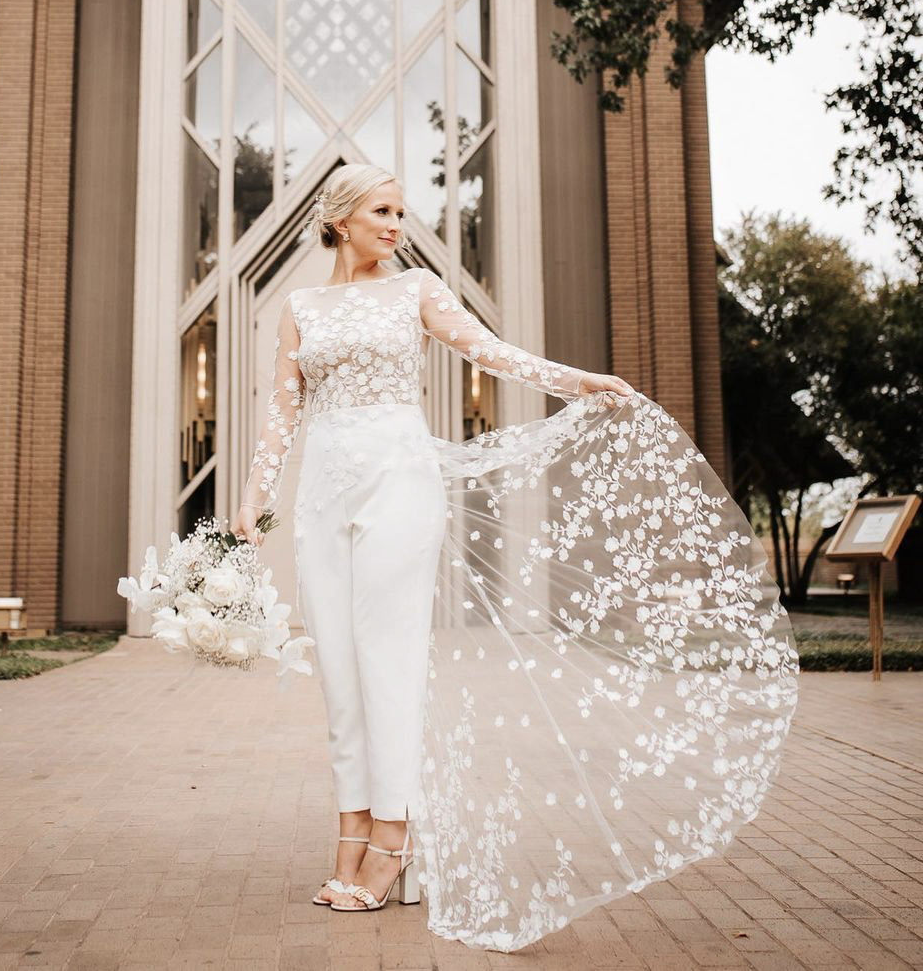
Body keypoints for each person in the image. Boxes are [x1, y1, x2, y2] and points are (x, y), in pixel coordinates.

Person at [231, 163, 798, 951]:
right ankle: (351, 833)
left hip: (398, 483)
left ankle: (390, 842)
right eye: (383, 211)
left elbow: (491, 353)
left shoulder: (416, 291)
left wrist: (578, 381)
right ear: (341, 219)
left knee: (386, 659)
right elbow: (281, 419)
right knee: (338, 668)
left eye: (402, 212)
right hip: (322, 496)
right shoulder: (300, 308)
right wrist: (253, 504)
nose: (397, 225)